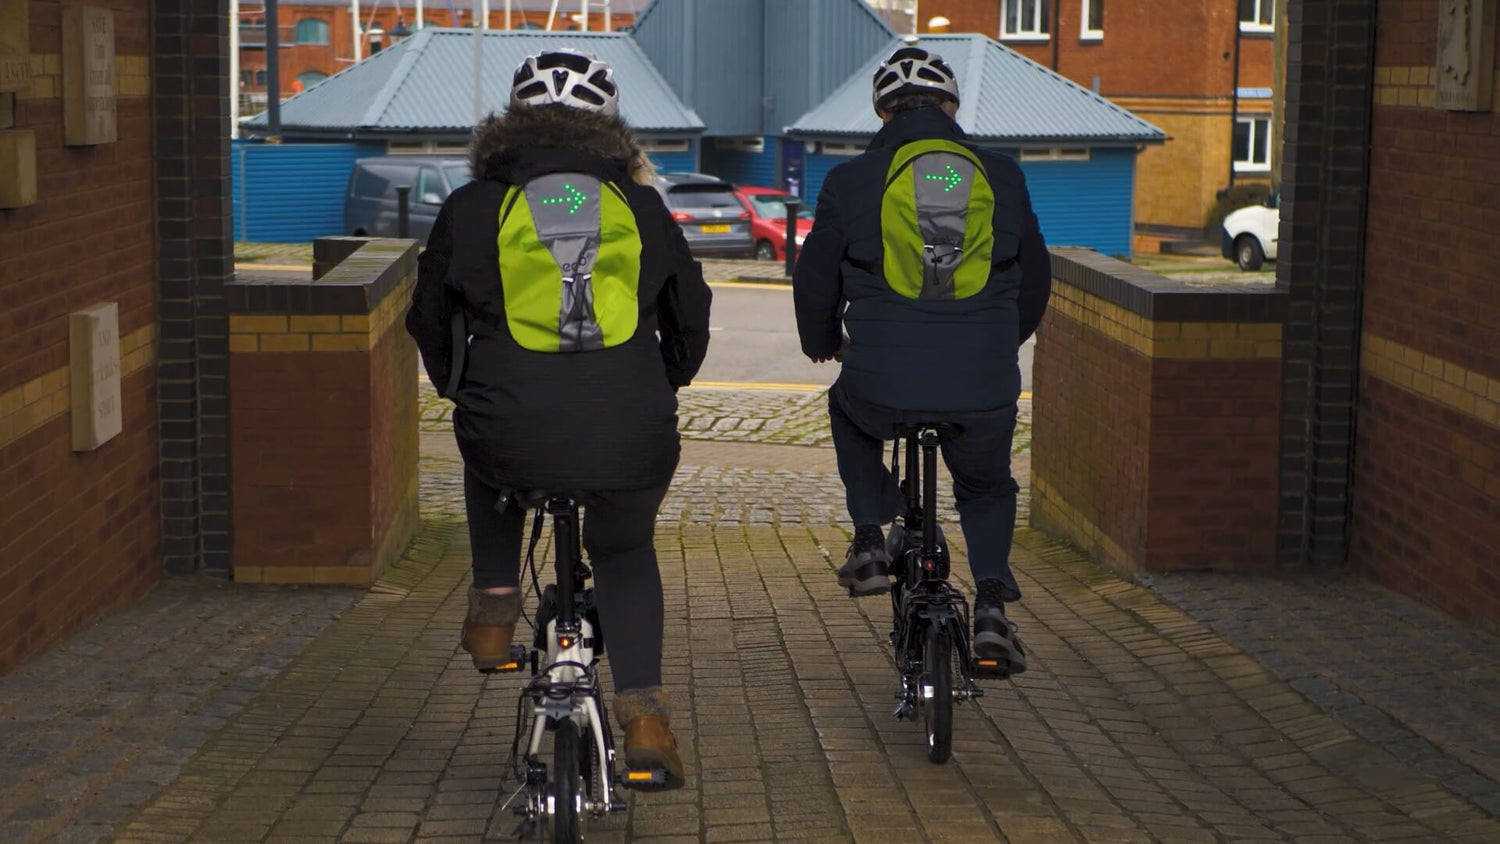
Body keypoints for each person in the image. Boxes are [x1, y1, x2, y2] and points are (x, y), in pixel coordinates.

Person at [405, 49, 711, 789]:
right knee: (626, 552)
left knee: (488, 454)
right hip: (630, 425)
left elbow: (428, 315)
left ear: (509, 124)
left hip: (509, 422)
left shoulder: (472, 207)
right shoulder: (640, 208)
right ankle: (644, 718)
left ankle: (494, 606)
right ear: (610, 131)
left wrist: (459, 384)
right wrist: (662, 376)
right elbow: (691, 314)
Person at [792, 47, 1051, 675]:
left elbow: (815, 278)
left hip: (883, 382)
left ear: (883, 112)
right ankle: (991, 607)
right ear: (951, 106)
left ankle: (868, 542)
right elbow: (1037, 279)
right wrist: (995, 343)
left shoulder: (851, 181)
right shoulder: (1003, 176)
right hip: (984, 382)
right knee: (986, 484)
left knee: (849, 409)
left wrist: (822, 341)